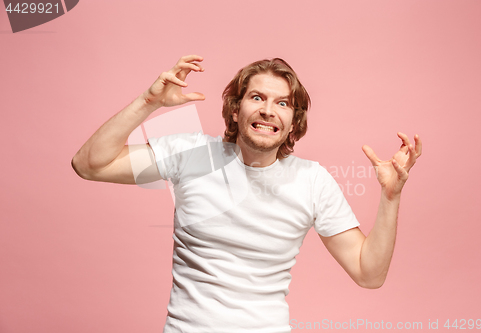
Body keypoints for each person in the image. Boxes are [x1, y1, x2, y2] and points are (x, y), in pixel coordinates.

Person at [71, 55, 422, 333]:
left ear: (293, 122)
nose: (269, 110)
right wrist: (149, 101)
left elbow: (369, 274)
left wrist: (391, 197)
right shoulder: (192, 150)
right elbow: (89, 165)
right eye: (257, 97)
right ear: (235, 110)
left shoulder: (312, 179)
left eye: (283, 103)